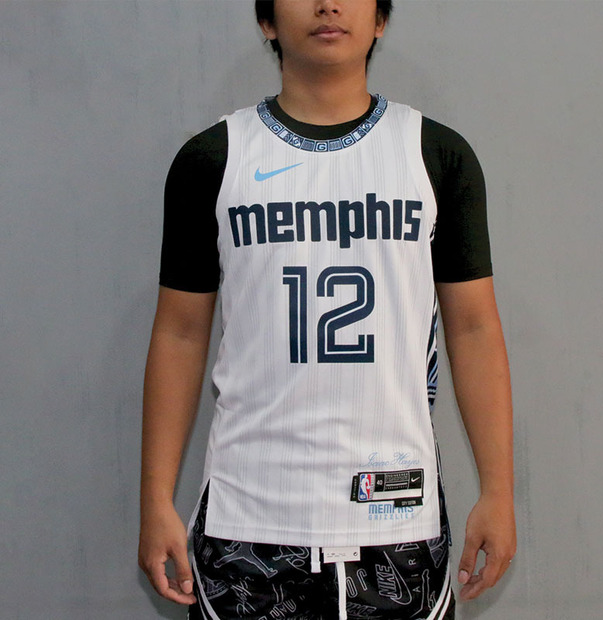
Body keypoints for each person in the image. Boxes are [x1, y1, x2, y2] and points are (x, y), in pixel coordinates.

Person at [138, 1, 516, 618]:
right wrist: (156, 499)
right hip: (248, 519)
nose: (327, 4)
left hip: (397, 519)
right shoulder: (213, 159)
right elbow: (180, 333)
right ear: (266, 21)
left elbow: (473, 328)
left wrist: (498, 490)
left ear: (381, 19)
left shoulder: (435, 155)